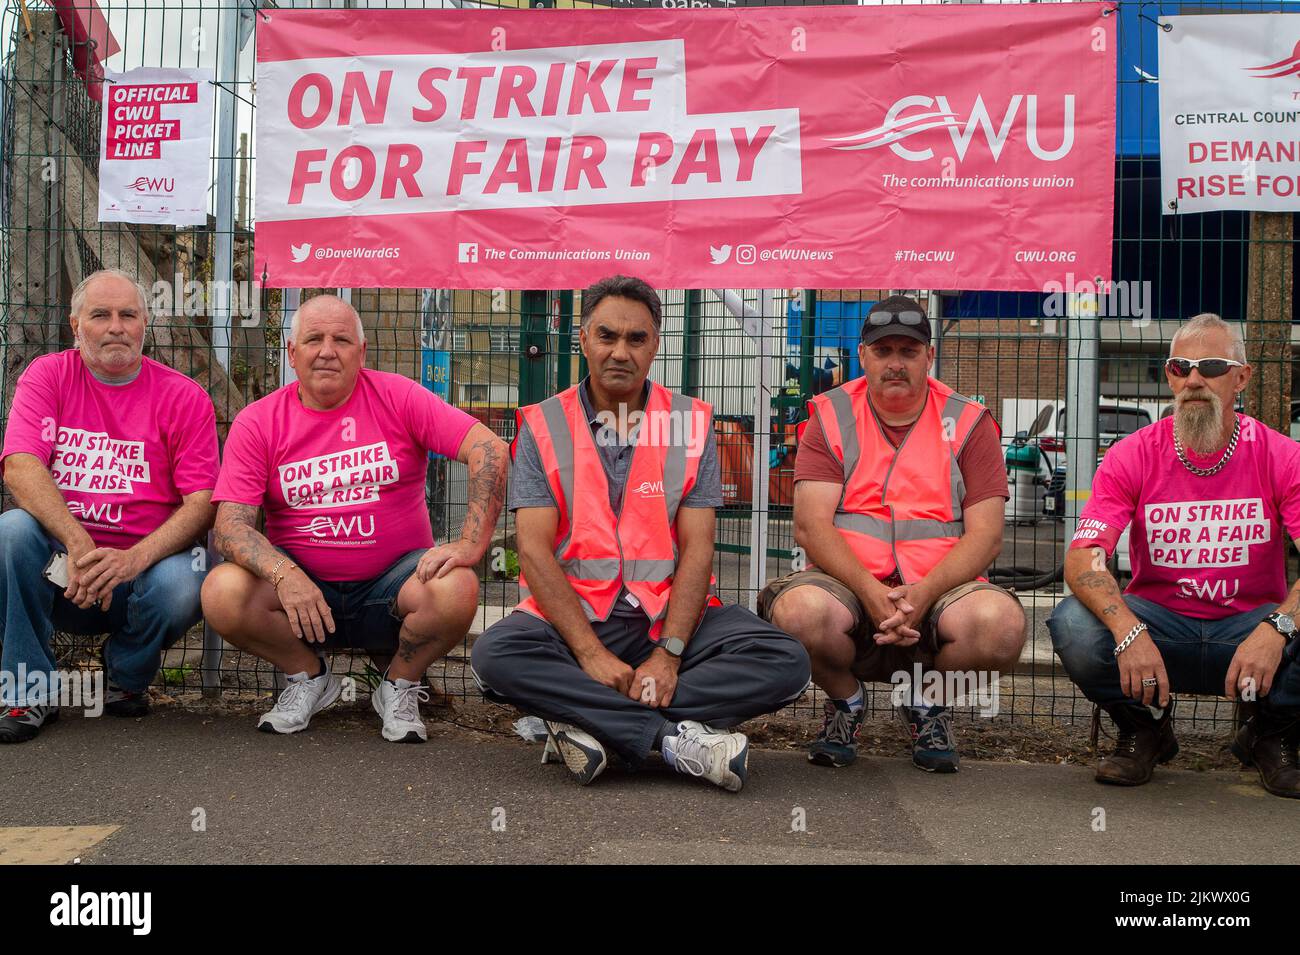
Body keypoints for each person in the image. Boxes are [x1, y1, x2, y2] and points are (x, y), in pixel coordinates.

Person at [471, 275, 810, 791]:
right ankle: (673, 741)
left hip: (667, 618)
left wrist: (669, 655)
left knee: (786, 661)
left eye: (636, 339)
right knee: (496, 656)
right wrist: (590, 654)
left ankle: (593, 723)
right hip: (573, 620)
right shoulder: (542, 425)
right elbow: (534, 552)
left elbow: (698, 549)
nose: (620, 352)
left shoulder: (691, 424)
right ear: (582, 340)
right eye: (606, 336)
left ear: (656, 345)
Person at [201, 294, 506, 742]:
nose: (327, 350)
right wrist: (284, 574)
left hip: (393, 586)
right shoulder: (258, 421)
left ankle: (398, 684)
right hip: (300, 590)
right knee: (221, 590)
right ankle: (307, 676)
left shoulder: (399, 397)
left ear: (361, 352)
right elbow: (229, 529)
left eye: (341, 339)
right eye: (314, 339)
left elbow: (490, 450)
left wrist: (471, 544)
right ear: (291, 351)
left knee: (457, 587)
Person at [759, 295, 1026, 772]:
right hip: (849, 588)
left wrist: (921, 595)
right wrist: (870, 591)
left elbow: (985, 538)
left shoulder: (968, 421)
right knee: (798, 613)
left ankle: (925, 704)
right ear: (862, 356)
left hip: (942, 590)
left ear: (929, 356)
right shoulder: (830, 414)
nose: (895, 363)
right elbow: (810, 525)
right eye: (883, 352)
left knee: (1000, 628)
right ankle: (846, 700)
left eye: (908, 351)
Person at [1048, 313, 1300, 798]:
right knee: (1073, 626)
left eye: (1211, 365)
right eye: (1180, 367)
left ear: (1241, 377)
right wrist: (1127, 630)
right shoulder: (1132, 454)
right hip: (1160, 627)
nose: (1194, 379)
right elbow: (1084, 560)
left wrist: (1277, 628)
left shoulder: (1280, 455)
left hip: (1251, 629)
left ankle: (1272, 736)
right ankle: (1146, 730)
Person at [0, 269, 218, 742]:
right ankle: (28, 691)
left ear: (145, 325)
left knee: (195, 574)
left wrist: (133, 559)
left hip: (143, 572)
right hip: (63, 570)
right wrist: (78, 543)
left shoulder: (184, 396)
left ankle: (124, 677)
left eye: (128, 315)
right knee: (12, 531)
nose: (116, 326)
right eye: (101, 314)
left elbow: (202, 503)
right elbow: (19, 465)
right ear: (76, 325)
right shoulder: (48, 375)